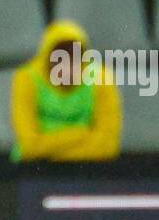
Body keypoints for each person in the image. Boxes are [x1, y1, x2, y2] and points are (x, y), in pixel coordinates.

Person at [12, 19, 122, 162]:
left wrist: (49, 150)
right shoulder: (26, 78)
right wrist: (81, 134)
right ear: (47, 57)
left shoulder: (102, 78)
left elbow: (108, 145)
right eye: (59, 58)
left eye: (74, 57)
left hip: (86, 168)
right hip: (36, 170)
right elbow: (29, 145)